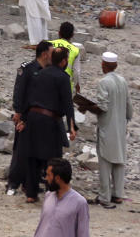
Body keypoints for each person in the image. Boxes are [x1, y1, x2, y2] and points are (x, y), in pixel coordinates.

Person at [20, 46, 75, 203]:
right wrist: (72, 126)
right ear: (64, 61)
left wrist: (23, 118)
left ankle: (31, 193)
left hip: (32, 118)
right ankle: (53, 192)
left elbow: (28, 98)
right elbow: (67, 104)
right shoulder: (63, 78)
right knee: (52, 159)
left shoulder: (39, 73)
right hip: (50, 121)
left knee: (32, 156)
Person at [77, 51, 132, 209]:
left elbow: (102, 107)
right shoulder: (123, 81)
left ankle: (104, 197)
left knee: (105, 162)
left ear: (103, 65)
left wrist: (86, 106)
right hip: (120, 128)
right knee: (119, 161)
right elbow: (129, 108)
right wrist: (124, 120)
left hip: (107, 128)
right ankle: (118, 195)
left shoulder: (104, 82)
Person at [6, 41, 53, 196]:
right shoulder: (27, 69)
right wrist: (18, 112)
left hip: (39, 117)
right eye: (51, 53)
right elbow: (19, 91)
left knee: (36, 151)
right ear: (45, 53)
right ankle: (13, 183)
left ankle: (30, 183)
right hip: (25, 115)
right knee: (20, 150)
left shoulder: (48, 71)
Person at [32, 158, 90, 237]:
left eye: (48, 175)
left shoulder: (79, 202)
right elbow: (42, 226)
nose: (46, 178)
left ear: (57, 178)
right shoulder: (48, 196)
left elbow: (83, 233)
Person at [50, 22, 81, 94]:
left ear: (59, 33)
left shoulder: (48, 44)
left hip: (47, 81)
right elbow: (76, 72)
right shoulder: (75, 50)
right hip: (65, 84)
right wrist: (77, 86)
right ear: (72, 35)